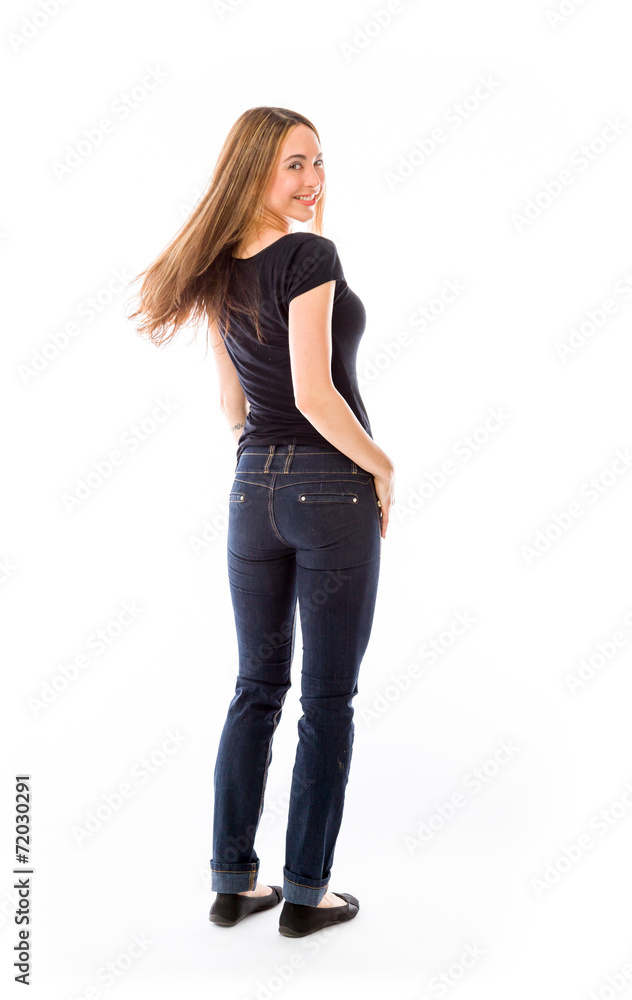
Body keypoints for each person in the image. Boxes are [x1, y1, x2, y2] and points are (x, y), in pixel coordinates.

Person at [127, 106, 396, 937]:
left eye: (318, 162)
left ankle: (233, 884)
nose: (313, 180)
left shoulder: (215, 269)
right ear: (254, 171)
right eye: (295, 164)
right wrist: (380, 464)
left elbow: (234, 406)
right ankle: (306, 897)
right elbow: (314, 394)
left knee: (256, 687)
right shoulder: (310, 256)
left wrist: (271, 471)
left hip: (250, 491)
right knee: (327, 699)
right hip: (329, 488)